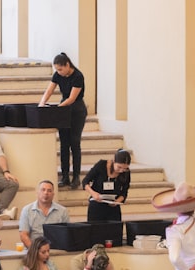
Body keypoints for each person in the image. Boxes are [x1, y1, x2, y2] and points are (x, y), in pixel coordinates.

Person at [38, 52, 86, 190]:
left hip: (76, 110)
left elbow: (71, 98)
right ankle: (64, 176)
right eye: (56, 70)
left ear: (67, 65)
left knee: (74, 143)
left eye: (60, 69)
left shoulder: (78, 76)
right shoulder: (57, 75)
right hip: (64, 110)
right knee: (64, 144)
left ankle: (76, 176)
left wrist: (57, 108)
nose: (58, 72)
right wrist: (42, 103)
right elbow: (49, 90)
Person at [82, 148, 130, 222]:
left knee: (113, 231)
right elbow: (85, 181)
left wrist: (118, 200)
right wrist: (93, 193)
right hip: (97, 204)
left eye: (124, 168)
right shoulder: (101, 165)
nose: (121, 170)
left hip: (113, 206)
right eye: (119, 167)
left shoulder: (126, 172)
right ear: (114, 161)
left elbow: (125, 191)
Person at [18, 180, 70, 248]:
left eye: (49, 191)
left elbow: (66, 234)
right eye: (43, 190)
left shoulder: (63, 211)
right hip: (34, 250)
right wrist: (35, 251)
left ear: (53, 194)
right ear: (37, 192)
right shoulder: (27, 210)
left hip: (55, 249)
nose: (46, 193)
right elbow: (23, 235)